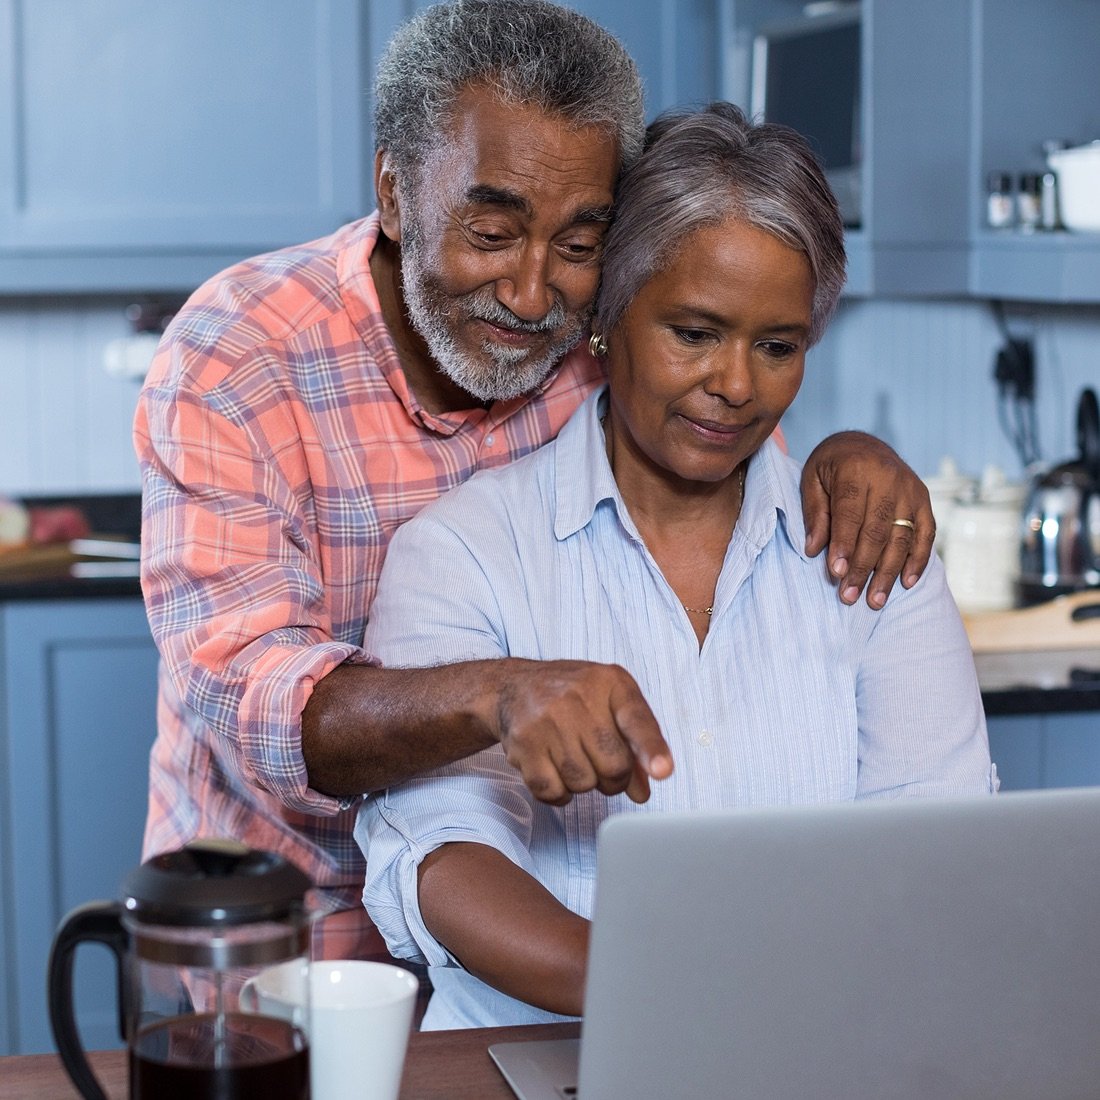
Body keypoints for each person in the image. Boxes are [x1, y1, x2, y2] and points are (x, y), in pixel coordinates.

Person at [134, 0, 936, 960]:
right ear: (394, 193)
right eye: (492, 232)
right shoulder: (240, 358)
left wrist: (845, 457)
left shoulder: (596, 334)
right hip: (287, 920)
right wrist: (499, 696)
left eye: (579, 243)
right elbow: (253, 703)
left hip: (520, 934)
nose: (529, 292)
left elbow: (723, 387)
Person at [355, 101, 997, 1029]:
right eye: (693, 333)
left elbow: (944, 853)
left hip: (822, 1056)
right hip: (542, 1062)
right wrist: (683, 995)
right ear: (608, 319)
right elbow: (446, 858)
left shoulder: (872, 546)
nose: (735, 385)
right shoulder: (464, 553)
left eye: (777, 346)